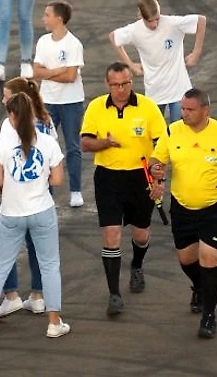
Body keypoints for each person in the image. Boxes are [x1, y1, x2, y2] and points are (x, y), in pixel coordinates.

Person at [149, 88, 217, 338]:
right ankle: (198, 286)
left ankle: (209, 314)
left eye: (189, 109)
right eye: (183, 109)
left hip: (215, 208)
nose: (183, 113)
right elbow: (156, 159)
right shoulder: (173, 131)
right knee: (186, 260)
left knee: (209, 259)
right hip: (183, 208)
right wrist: (156, 170)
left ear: (205, 110)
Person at [0, 92, 70, 339]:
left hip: (11, 213)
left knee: (0, 266)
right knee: (50, 266)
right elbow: (58, 180)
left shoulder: (0, 144)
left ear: (11, 116)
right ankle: (54, 321)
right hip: (41, 211)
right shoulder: (48, 142)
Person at [80, 62, 167, 315]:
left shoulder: (148, 107)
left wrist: (159, 180)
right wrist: (105, 143)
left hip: (141, 178)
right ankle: (114, 294)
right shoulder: (96, 107)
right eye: (116, 85)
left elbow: (161, 146)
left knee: (141, 234)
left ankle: (137, 265)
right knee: (111, 235)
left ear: (132, 82)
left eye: (126, 83)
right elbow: (85, 143)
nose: (121, 89)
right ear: (108, 85)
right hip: (108, 179)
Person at [0, 77, 53, 318]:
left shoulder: (10, 125)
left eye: (6, 96)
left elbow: (8, 158)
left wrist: (2, 187)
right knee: (38, 244)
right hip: (42, 189)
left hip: (17, 190)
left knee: (2, 241)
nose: (3, 100)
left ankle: (11, 295)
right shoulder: (45, 120)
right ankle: (38, 295)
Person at [109, 0, 207, 123]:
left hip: (178, 90)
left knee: (178, 132)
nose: (154, 24)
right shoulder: (135, 30)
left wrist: (196, 52)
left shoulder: (172, 23)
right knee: (156, 136)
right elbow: (113, 37)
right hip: (155, 91)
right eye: (150, 21)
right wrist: (131, 65)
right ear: (140, 16)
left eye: (157, 19)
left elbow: (201, 20)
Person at [33, 0, 85, 207]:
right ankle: (47, 191)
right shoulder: (43, 42)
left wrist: (48, 74)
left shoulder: (74, 44)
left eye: (47, 15)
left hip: (71, 102)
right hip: (48, 102)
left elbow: (71, 76)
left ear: (59, 19)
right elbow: (36, 71)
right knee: (45, 145)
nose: (44, 18)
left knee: (72, 147)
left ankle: (75, 190)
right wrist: (56, 71)